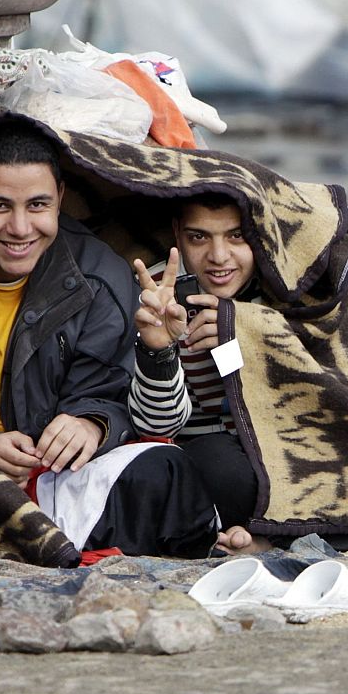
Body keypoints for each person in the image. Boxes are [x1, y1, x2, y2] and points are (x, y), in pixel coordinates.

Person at [0, 119, 219, 557]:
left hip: (47, 474)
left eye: (37, 205)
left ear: (60, 199)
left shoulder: (99, 276)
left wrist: (90, 423)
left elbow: (110, 396)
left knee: (165, 471)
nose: (20, 228)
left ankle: (33, 538)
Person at [128, 193, 275, 553]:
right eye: (199, 237)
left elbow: (327, 394)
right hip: (200, 452)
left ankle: (268, 535)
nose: (219, 257)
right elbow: (155, 428)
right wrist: (159, 349)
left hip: (277, 444)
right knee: (220, 467)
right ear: (177, 233)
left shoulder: (281, 290)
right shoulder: (153, 293)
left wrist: (246, 339)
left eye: (236, 236)